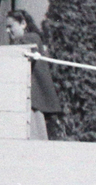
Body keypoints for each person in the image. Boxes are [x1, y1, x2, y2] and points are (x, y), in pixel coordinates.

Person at [4, 10, 63, 139]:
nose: (8, 31)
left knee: (36, 136)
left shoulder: (31, 38)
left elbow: (25, 48)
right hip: (29, 100)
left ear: (23, 24)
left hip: (35, 100)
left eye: (11, 26)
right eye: (6, 28)